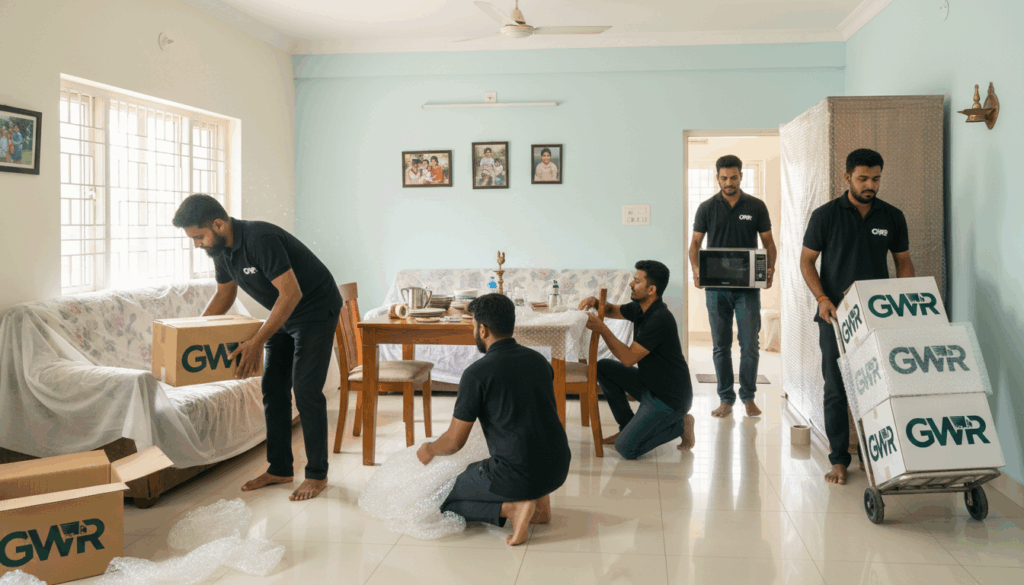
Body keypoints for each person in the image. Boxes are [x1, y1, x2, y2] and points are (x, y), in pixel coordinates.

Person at [172, 194, 342, 501]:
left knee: (305, 390)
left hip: (315, 310)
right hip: (287, 315)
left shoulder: (260, 239)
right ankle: (280, 468)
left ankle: (317, 475)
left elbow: (291, 293)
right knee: (272, 388)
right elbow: (225, 294)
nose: (197, 244)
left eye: (199, 236)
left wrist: (256, 341)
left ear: (218, 224)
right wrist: (189, 334)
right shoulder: (221, 251)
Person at [416, 293, 571, 546]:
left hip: (516, 474)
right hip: (558, 467)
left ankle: (512, 508)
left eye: (473, 326)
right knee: (524, 448)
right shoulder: (539, 361)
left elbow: (454, 442)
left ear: (483, 329)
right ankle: (540, 506)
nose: (472, 331)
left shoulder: (477, 374)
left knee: (441, 498)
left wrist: (430, 449)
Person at [800, 148, 915, 485]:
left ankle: (875, 454)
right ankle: (838, 460)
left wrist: (902, 300)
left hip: (876, 318)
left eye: (876, 178)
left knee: (877, 388)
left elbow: (903, 261)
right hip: (834, 317)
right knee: (836, 389)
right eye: (863, 178)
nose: (870, 184)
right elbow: (806, 261)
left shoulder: (891, 216)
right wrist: (821, 298)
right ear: (847, 177)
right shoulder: (825, 216)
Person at [689, 154, 776, 419]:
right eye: (724, 178)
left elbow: (768, 244)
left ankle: (748, 396)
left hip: (748, 288)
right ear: (717, 177)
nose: (729, 182)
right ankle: (726, 398)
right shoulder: (706, 208)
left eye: (734, 177)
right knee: (720, 345)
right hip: (716, 289)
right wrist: (695, 269)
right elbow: (694, 245)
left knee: (750, 344)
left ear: (741, 176)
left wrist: (770, 270)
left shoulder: (757, 206)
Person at [579, 260, 696, 459]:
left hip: (669, 397)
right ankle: (626, 426)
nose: (631, 285)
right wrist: (596, 303)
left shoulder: (660, 319)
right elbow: (611, 310)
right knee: (603, 367)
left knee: (626, 449)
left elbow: (628, 358)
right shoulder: (640, 308)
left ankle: (680, 425)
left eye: (636, 281)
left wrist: (602, 329)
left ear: (651, 289)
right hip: (649, 385)